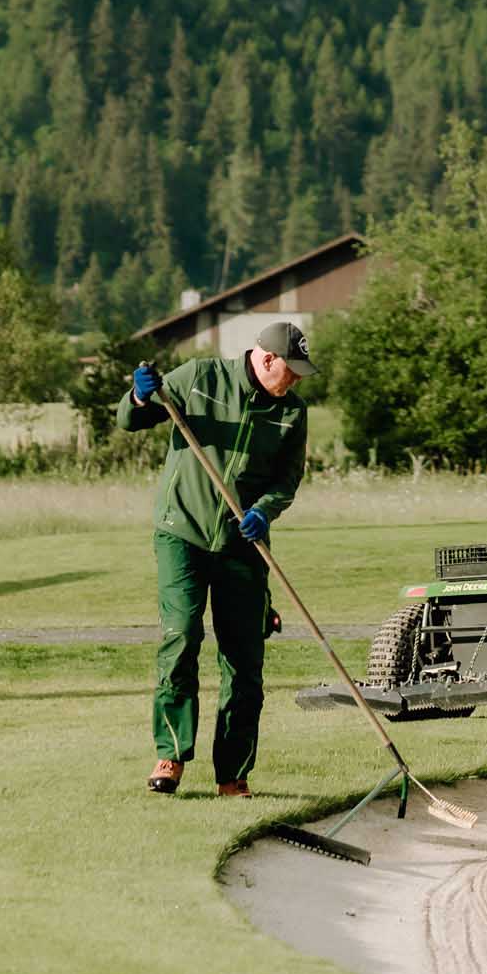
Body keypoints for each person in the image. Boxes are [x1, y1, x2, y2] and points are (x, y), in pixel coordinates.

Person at [121, 322, 310, 796]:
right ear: (267, 359)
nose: (298, 380)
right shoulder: (201, 377)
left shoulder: (292, 412)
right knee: (182, 636)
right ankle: (170, 754)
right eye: (293, 370)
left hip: (243, 543)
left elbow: (285, 482)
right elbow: (130, 419)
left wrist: (264, 513)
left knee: (244, 661)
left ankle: (233, 774)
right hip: (181, 532)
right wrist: (141, 397)